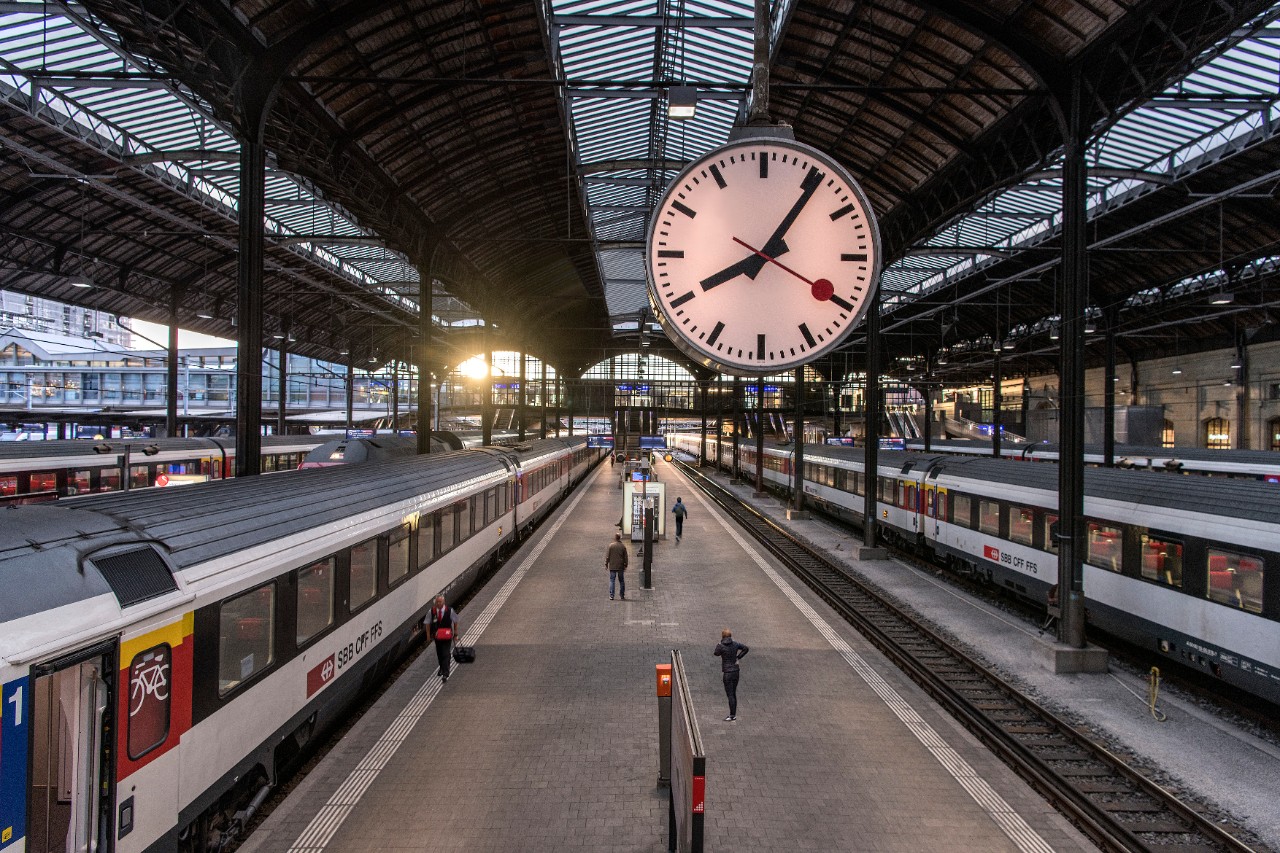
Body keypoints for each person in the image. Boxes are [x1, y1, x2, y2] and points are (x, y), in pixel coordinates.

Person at [714, 628, 749, 721]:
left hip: (727, 672)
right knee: (733, 693)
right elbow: (746, 648)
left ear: (722, 636)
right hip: (736, 671)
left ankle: (732, 715)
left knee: (730, 694)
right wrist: (738, 657)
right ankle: (733, 714)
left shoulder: (721, 646)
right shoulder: (735, 644)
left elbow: (716, 653)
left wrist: (718, 644)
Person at [425, 595, 459, 684]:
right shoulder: (431, 611)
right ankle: (441, 667)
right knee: (439, 653)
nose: (438, 603)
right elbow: (427, 623)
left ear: (443, 602)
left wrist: (455, 633)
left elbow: (455, 620)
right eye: (437, 602)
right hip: (437, 637)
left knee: (446, 653)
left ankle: (445, 673)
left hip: (447, 636)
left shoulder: (449, 610)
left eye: (440, 602)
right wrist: (428, 636)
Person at [606, 532, 628, 600]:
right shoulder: (623, 546)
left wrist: (606, 564)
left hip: (612, 565)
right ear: (619, 538)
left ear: (615, 538)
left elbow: (607, 556)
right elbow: (626, 557)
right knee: (621, 580)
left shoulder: (611, 546)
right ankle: (622, 595)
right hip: (620, 566)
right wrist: (626, 564)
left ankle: (611, 595)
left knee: (612, 580)